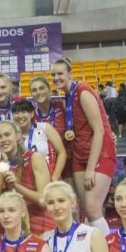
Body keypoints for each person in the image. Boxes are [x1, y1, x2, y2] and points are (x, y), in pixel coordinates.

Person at [51, 58, 116, 235]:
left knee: (93, 208)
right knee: (86, 210)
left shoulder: (83, 91)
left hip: (100, 153)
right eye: (53, 75)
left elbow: (99, 130)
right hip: (80, 153)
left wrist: (90, 168)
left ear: (70, 74)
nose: (56, 78)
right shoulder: (69, 95)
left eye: (60, 74)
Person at [0, 120, 52, 236]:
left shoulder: (34, 158)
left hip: (43, 227)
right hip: (18, 231)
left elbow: (44, 200)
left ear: (18, 136)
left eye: (7, 135)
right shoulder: (2, 169)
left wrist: (17, 186)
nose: (3, 140)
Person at [11, 100, 67, 181]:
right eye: (16, 113)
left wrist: (55, 176)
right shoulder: (13, 136)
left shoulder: (44, 127)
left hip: (49, 176)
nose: (20, 116)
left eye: (24, 112)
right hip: (27, 180)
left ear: (32, 114)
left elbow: (62, 153)